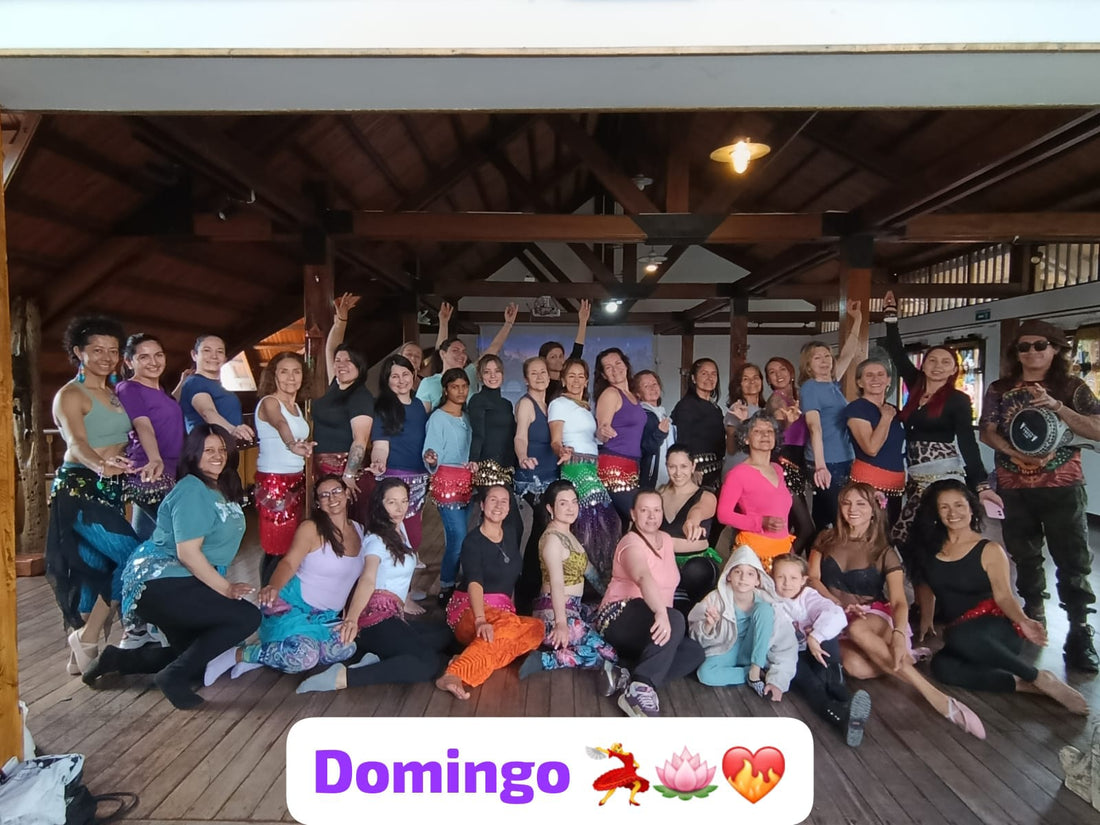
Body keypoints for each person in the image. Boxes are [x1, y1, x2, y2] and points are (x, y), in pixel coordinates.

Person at [84, 425, 260, 710]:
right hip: (160, 579)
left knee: (194, 657)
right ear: (193, 454)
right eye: (208, 450)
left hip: (182, 580)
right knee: (247, 617)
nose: (217, 456)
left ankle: (118, 660)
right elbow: (187, 553)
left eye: (222, 450)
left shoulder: (218, 487)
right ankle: (172, 677)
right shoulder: (191, 489)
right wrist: (226, 588)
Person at [808, 481, 986, 739]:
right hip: (835, 614)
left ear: (874, 510)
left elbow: (900, 600)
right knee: (854, 667)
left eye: (861, 504)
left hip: (871, 614)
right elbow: (813, 578)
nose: (852, 509)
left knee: (858, 628)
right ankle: (905, 658)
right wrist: (837, 604)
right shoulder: (825, 538)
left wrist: (900, 634)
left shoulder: (885, 551)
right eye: (846, 503)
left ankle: (936, 697)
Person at [980, 318, 1100, 671]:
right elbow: (987, 430)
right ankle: (1033, 616)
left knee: (1073, 558)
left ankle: (1079, 629)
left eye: (1039, 345)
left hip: (1062, 485)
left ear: (1056, 349)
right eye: (1023, 346)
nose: (1031, 352)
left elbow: (1097, 428)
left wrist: (1058, 407)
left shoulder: (1071, 387)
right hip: (1014, 485)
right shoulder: (1000, 388)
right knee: (1024, 554)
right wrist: (1015, 453)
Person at [912, 480, 1087, 714]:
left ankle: (1038, 677)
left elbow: (1004, 597)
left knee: (959, 636)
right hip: (961, 633)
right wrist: (926, 619)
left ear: (971, 508)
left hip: (997, 629)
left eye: (959, 505)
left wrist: (1024, 621)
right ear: (936, 512)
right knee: (942, 667)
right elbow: (925, 585)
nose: (953, 513)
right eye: (944, 507)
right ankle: (1025, 686)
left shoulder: (989, 550)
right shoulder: (930, 548)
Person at [47, 316, 142, 676]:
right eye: (97, 350)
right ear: (79, 352)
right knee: (135, 557)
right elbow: (76, 444)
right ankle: (87, 638)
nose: (106, 357)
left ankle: (80, 657)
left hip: (112, 489)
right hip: (80, 489)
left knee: (95, 568)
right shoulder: (71, 395)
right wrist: (101, 465)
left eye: (113, 351)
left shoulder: (115, 392)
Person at [296, 478, 455, 693]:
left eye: (404, 501)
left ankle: (377, 656)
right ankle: (344, 677)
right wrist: (352, 619)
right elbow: (368, 579)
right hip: (374, 619)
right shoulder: (376, 539)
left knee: (446, 635)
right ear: (380, 504)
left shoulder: (399, 529)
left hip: (394, 615)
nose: (399, 508)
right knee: (428, 662)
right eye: (392, 502)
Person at [204, 474, 363, 683]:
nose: (332, 498)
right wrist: (273, 586)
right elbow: (288, 563)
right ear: (317, 502)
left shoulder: (360, 531)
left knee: (346, 647)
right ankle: (240, 654)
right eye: (324, 495)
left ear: (347, 493)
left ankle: (266, 655)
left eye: (336, 491)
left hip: (325, 618)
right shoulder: (311, 529)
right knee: (305, 658)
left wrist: (353, 616)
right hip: (291, 609)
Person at [881, 291, 1000, 550]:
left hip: (942, 473)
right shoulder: (915, 386)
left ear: (954, 370)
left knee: (924, 531)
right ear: (923, 365)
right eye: (932, 360)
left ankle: (940, 570)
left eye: (946, 362)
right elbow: (897, 354)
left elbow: (967, 442)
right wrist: (890, 317)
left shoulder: (958, 400)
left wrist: (981, 485)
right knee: (909, 535)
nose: (938, 366)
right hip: (914, 473)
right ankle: (920, 572)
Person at [593, 490, 706, 718]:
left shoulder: (665, 540)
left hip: (650, 623)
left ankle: (625, 676)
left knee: (694, 652)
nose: (652, 516)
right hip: (618, 616)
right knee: (675, 618)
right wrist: (661, 613)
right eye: (644, 510)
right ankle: (641, 687)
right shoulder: (631, 543)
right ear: (633, 514)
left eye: (656, 510)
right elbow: (643, 576)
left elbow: (701, 544)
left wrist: (698, 529)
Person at [435, 485, 545, 699]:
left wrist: (510, 614)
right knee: (506, 631)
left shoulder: (510, 533)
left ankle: (465, 657)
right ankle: (454, 674)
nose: (498, 505)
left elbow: (510, 579)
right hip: (470, 609)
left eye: (504, 501)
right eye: (493, 500)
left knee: (537, 627)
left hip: (502, 613)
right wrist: (480, 620)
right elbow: (474, 582)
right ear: (483, 505)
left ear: (509, 508)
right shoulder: (473, 541)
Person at [771, 553, 872, 747]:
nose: (787, 583)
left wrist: (815, 636)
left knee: (827, 633)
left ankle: (838, 688)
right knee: (812, 685)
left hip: (814, 650)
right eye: (780, 577)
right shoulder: (769, 599)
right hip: (787, 654)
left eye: (793, 578)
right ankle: (842, 717)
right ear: (772, 577)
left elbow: (835, 612)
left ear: (803, 580)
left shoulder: (809, 596)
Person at [518, 480, 616, 678]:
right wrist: (561, 624)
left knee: (612, 614)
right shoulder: (552, 539)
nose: (571, 508)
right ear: (550, 508)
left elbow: (591, 573)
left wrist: (611, 597)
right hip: (555, 614)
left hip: (575, 608)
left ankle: (571, 646)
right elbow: (556, 583)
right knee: (609, 655)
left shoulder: (569, 535)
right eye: (563, 503)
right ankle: (546, 660)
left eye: (574, 502)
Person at [689, 545, 797, 699]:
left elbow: (786, 649)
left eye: (750, 573)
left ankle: (755, 669)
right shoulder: (715, 599)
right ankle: (750, 674)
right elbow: (694, 634)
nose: (743, 578)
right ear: (728, 576)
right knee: (705, 674)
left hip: (755, 653)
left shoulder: (770, 605)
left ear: (758, 580)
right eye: (737, 572)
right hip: (727, 649)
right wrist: (708, 626)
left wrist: (778, 682)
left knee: (764, 610)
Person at [549, 358, 620, 585]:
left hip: (592, 465)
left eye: (581, 376)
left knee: (601, 522)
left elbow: (591, 438)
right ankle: (593, 582)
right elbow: (555, 440)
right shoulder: (559, 404)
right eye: (571, 376)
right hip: (575, 465)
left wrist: (603, 434)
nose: (576, 380)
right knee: (594, 521)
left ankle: (600, 578)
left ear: (587, 381)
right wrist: (561, 450)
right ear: (563, 380)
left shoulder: (586, 406)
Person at [800, 300, 863, 531]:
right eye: (817, 358)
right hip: (826, 461)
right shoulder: (810, 388)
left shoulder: (833, 383)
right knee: (838, 517)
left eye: (827, 356)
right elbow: (814, 427)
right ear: (808, 365)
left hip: (844, 457)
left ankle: (817, 548)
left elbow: (849, 352)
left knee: (824, 515)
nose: (825, 361)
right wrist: (820, 466)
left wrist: (857, 319)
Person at [116, 333, 184, 540]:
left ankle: (135, 562)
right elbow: (142, 425)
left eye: (158, 355)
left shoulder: (161, 391)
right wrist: (155, 459)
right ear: (129, 362)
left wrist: (183, 383)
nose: (153, 362)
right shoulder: (129, 388)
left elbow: (166, 410)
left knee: (145, 537)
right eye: (144, 357)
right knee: (179, 536)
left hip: (171, 469)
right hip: (150, 471)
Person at [253, 352, 313, 584]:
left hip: (295, 480)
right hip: (274, 482)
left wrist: (303, 448)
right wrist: (291, 444)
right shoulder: (270, 402)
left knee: (291, 544)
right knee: (276, 545)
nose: (291, 377)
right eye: (284, 371)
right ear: (274, 376)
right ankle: (268, 594)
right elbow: (280, 423)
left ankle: (282, 594)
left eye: (296, 371)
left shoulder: (296, 406)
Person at [314, 293, 375, 521]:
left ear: (359, 366)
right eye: (339, 361)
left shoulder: (360, 396)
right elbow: (331, 348)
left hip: (344, 471)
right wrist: (341, 320)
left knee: (345, 523)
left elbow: (360, 440)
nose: (341, 364)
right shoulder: (335, 385)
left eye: (348, 360)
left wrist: (348, 475)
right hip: (321, 469)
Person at [513, 356, 563, 613]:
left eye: (543, 372)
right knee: (539, 532)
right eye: (534, 373)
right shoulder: (526, 404)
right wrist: (522, 456)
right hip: (532, 478)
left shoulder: (550, 405)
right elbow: (520, 436)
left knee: (546, 531)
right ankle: (526, 592)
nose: (540, 377)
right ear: (526, 379)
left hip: (551, 475)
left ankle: (538, 586)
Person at [716, 412, 795, 574]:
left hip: (782, 550)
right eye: (757, 431)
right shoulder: (738, 474)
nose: (765, 435)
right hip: (753, 554)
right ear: (746, 438)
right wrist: (760, 522)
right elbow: (723, 515)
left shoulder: (778, 469)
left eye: (770, 431)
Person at [423, 368, 476, 604]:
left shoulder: (468, 416)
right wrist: (431, 457)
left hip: (469, 482)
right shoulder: (438, 418)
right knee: (458, 537)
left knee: (463, 537)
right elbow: (431, 449)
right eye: (455, 387)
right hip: (447, 481)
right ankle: (446, 585)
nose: (461, 391)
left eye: (464, 386)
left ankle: (461, 583)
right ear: (445, 390)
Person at [369, 354, 431, 551]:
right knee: (391, 531)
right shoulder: (382, 407)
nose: (401, 380)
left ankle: (408, 564)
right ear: (386, 380)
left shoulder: (419, 405)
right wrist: (378, 462)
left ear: (413, 375)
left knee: (414, 533)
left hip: (420, 476)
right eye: (394, 376)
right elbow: (380, 446)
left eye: (405, 374)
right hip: (394, 476)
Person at [416, 302, 518, 412]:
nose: (461, 355)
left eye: (463, 351)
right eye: (455, 350)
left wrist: (508, 323)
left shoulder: (469, 374)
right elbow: (421, 416)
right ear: (443, 354)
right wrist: (444, 323)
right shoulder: (429, 383)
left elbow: (493, 349)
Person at [659, 445, 720, 616]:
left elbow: (699, 510)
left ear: (693, 466)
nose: (678, 472)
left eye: (684, 466)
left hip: (695, 566)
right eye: (672, 466)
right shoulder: (658, 495)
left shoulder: (706, 496)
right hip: (663, 562)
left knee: (696, 570)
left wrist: (692, 520)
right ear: (666, 466)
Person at [844, 357, 906, 526]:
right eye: (869, 375)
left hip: (896, 485)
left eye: (880, 374)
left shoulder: (892, 409)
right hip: (869, 484)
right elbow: (871, 449)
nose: (875, 379)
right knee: (868, 534)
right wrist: (885, 418)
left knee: (888, 534)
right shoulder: (857, 408)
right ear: (860, 382)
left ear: (888, 380)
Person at [466, 353, 521, 538]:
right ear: (480, 376)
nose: (492, 376)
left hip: (506, 469)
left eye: (497, 371)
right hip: (487, 470)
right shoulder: (477, 400)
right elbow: (478, 433)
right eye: (487, 372)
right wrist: (474, 459)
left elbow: (511, 436)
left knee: (508, 525)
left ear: (503, 374)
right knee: (509, 523)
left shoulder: (506, 404)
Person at [763, 356, 814, 554]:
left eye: (782, 369)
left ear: (791, 372)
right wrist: (787, 422)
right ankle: (782, 565)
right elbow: (776, 429)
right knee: (806, 528)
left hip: (798, 462)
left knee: (790, 524)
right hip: (783, 463)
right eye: (772, 372)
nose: (778, 374)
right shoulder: (776, 400)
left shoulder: (801, 396)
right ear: (768, 379)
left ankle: (785, 565)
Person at [595, 348, 647, 526]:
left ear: (626, 365)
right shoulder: (611, 394)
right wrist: (603, 430)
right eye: (608, 367)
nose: (615, 369)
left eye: (618, 363)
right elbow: (601, 430)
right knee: (641, 518)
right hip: (614, 467)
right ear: (604, 375)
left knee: (624, 524)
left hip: (632, 467)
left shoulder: (633, 396)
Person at [177, 334, 255, 443]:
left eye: (220, 351)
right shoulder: (195, 382)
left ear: (225, 358)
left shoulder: (218, 386)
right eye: (207, 350)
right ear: (194, 355)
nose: (214, 356)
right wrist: (232, 430)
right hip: (206, 447)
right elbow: (207, 412)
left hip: (225, 446)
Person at [670, 358, 725, 490]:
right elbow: (682, 440)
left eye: (713, 374)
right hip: (697, 474)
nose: (710, 378)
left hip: (716, 473)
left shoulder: (716, 408)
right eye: (704, 373)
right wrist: (690, 469)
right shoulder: (686, 406)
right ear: (694, 378)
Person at [541, 298, 591, 398]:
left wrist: (583, 322)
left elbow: (577, 350)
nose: (558, 360)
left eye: (561, 356)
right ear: (544, 360)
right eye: (553, 357)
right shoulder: (542, 384)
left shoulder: (568, 378)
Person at [723, 362, 767, 477]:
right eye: (746, 379)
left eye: (755, 377)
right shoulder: (737, 408)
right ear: (739, 385)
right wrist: (743, 423)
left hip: (759, 471)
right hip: (739, 471)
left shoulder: (763, 410)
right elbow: (731, 449)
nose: (752, 381)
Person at [634, 370, 674, 489]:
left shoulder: (662, 413)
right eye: (646, 386)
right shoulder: (641, 415)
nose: (652, 388)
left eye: (654, 384)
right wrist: (660, 434)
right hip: (651, 478)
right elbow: (642, 448)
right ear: (638, 393)